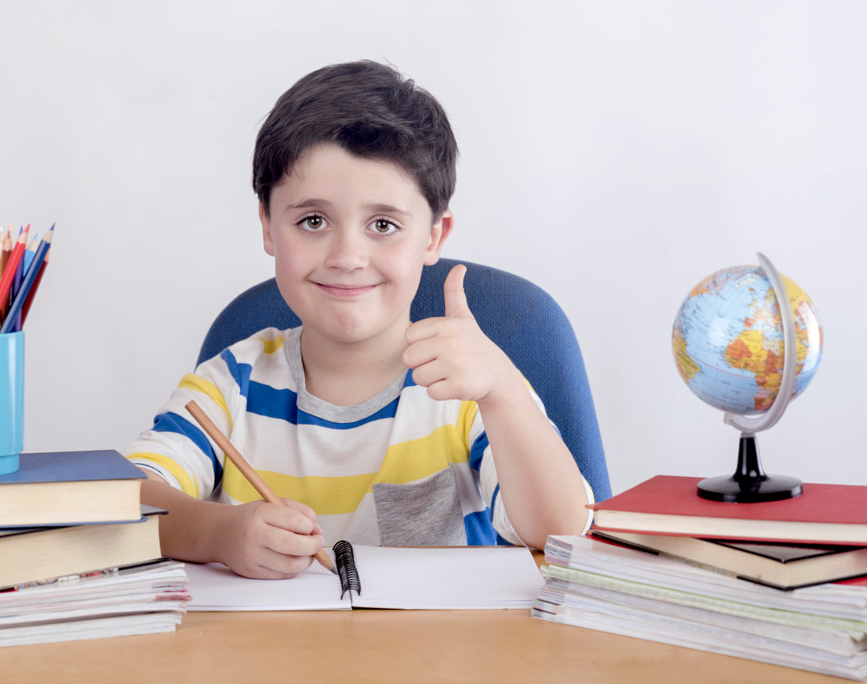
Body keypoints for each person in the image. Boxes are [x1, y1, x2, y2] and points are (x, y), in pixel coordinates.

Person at [123, 60, 591, 580]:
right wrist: (219, 533)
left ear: (434, 236)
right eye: (313, 221)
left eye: (384, 224)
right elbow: (126, 499)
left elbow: (560, 534)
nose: (347, 255)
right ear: (269, 227)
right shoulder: (232, 383)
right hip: (266, 659)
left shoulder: (473, 391)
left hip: (445, 659)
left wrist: (502, 390)